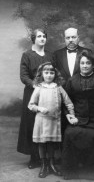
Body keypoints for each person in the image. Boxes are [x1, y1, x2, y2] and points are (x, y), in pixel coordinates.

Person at [62, 50, 94, 180]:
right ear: (80, 64)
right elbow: (66, 101)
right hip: (78, 118)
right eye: (82, 63)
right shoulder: (72, 80)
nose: (84, 66)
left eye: (87, 63)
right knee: (69, 133)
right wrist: (68, 115)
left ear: (93, 65)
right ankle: (72, 173)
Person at [28, 62, 77, 178]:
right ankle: (44, 165)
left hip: (54, 120)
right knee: (42, 143)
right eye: (46, 72)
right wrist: (39, 108)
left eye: (51, 73)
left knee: (51, 143)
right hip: (41, 120)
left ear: (55, 74)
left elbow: (68, 103)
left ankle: (51, 164)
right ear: (41, 74)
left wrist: (72, 115)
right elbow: (31, 105)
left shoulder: (58, 88)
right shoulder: (39, 88)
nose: (49, 75)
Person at [17, 28, 53, 169]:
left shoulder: (50, 55)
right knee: (33, 124)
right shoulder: (27, 55)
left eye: (44, 36)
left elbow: (55, 72)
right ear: (34, 39)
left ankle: (47, 158)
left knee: (47, 123)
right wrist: (35, 85)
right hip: (33, 93)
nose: (42, 38)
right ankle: (34, 157)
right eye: (39, 36)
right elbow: (24, 75)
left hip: (49, 93)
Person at [53, 27, 92, 133]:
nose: (70, 40)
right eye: (68, 37)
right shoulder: (56, 54)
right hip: (61, 95)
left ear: (78, 38)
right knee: (61, 127)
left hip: (81, 96)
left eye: (73, 37)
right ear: (64, 39)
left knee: (79, 129)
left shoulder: (87, 52)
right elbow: (53, 75)